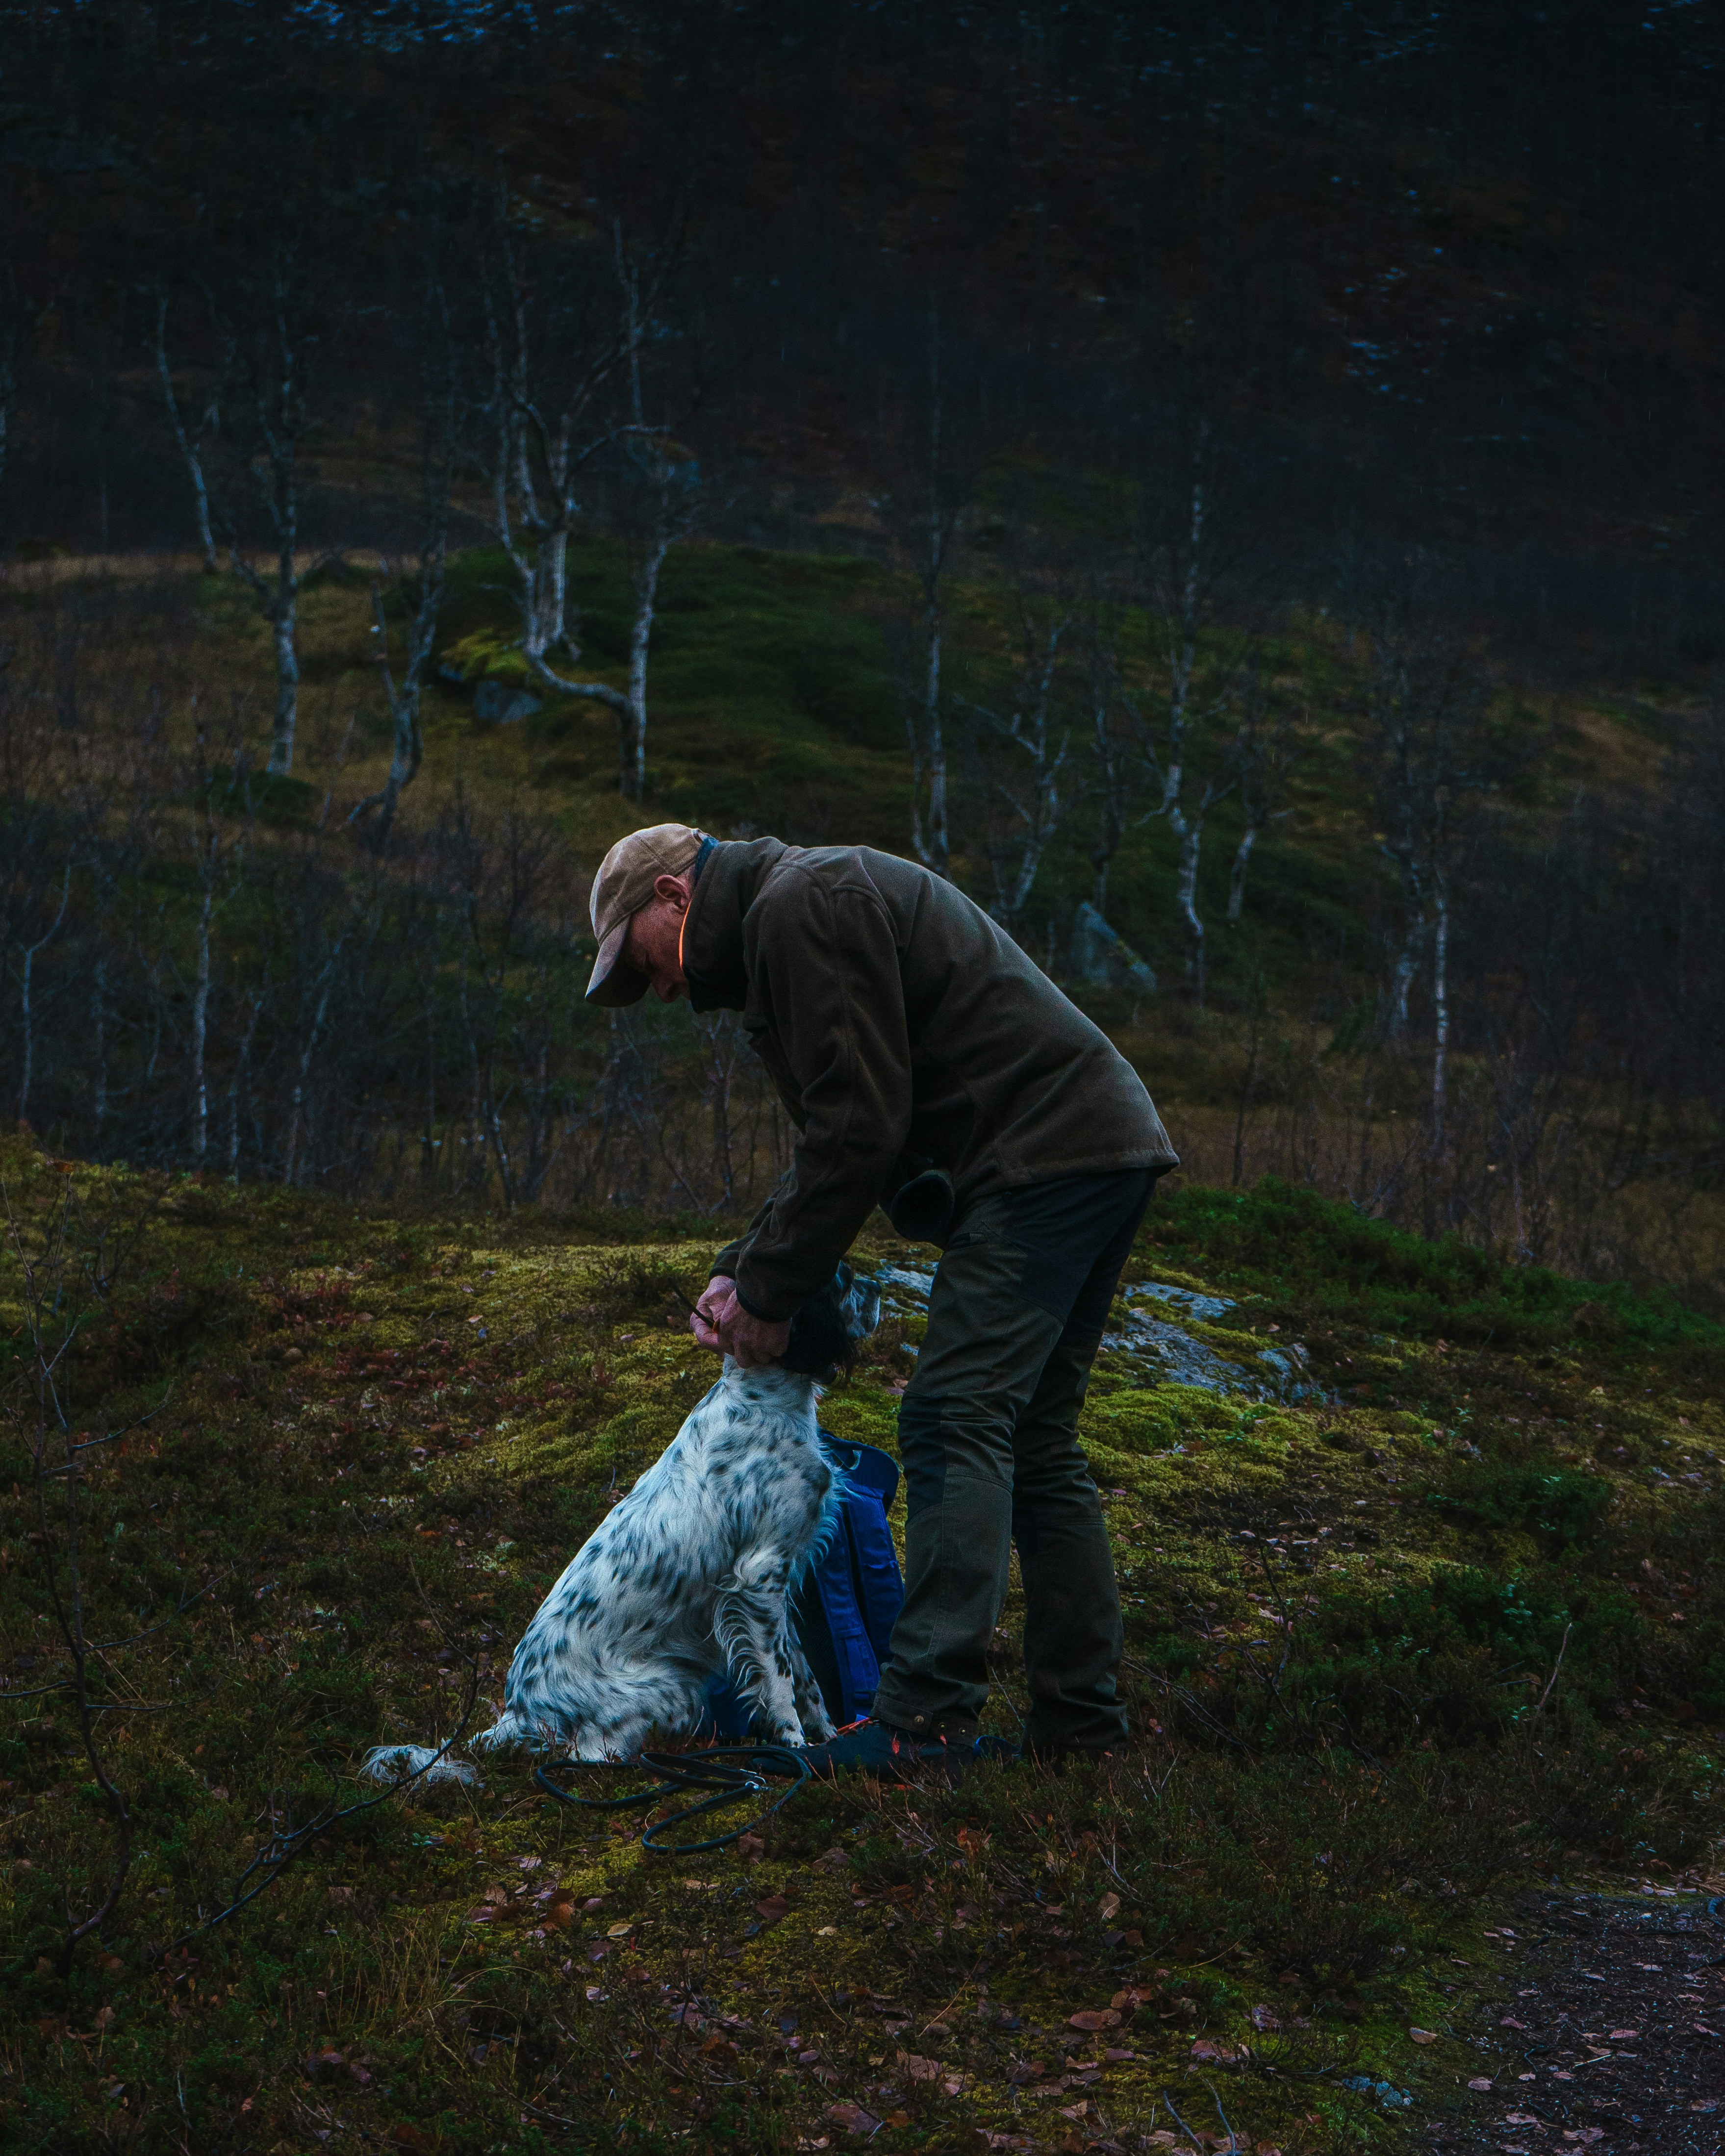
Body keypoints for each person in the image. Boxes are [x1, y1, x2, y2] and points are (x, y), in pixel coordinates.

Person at [584, 821, 1179, 1777]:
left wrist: (772, 1296)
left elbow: (861, 1128)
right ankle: (1079, 1728)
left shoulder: (798, 909)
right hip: (1092, 1144)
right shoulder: (792, 914)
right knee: (1033, 1438)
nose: (656, 990)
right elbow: (840, 1128)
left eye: (640, 963)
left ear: (672, 898)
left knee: (953, 1416)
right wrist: (748, 1265)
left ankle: (921, 1720)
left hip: (1045, 1157)